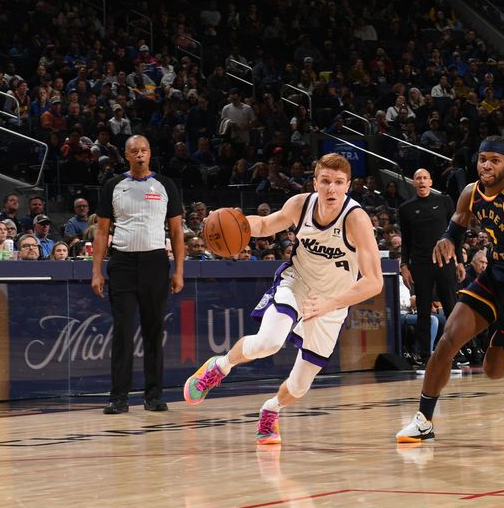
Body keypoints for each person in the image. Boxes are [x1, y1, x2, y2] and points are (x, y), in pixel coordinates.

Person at [183, 153, 382, 445]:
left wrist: (329, 304)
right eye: (325, 181)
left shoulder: (356, 220)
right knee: (268, 341)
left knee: (300, 386)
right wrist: (234, 223)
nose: (331, 189)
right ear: (315, 182)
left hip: (332, 302)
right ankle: (219, 366)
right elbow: (264, 225)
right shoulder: (300, 205)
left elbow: (374, 281)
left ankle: (270, 409)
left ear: (348, 186)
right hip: (297, 282)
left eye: (338, 183)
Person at [396, 138, 504, 443]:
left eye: (495, 161)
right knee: (448, 339)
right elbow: (459, 219)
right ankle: (424, 421)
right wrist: (448, 238)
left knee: (494, 369)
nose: (487, 166)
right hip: (494, 278)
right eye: (483, 159)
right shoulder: (470, 192)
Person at [91, 135, 185, 414]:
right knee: (123, 331)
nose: (140, 154)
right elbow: (102, 231)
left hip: (156, 261)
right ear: (127, 155)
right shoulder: (113, 185)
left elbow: (177, 232)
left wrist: (179, 270)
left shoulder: (166, 185)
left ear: (150, 152)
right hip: (122, 263)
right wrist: (96, 271)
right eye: (135, 151)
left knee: (153, 331)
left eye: (144, 150)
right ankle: (118, 397)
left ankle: (154, 395)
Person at [398, 168, 463, 365]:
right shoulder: (406, 208)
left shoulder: (444, 201)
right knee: (424, 310)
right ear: (414, 183)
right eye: (418, 178)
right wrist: (404, 264)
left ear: (431, 182)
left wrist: (459, 260)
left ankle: (456, 351)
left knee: (451, 307)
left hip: (445, 261)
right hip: (420, 263)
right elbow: (406, 241)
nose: (422, 181)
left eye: (425, 178)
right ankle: (424, 354)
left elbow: (455, 233)